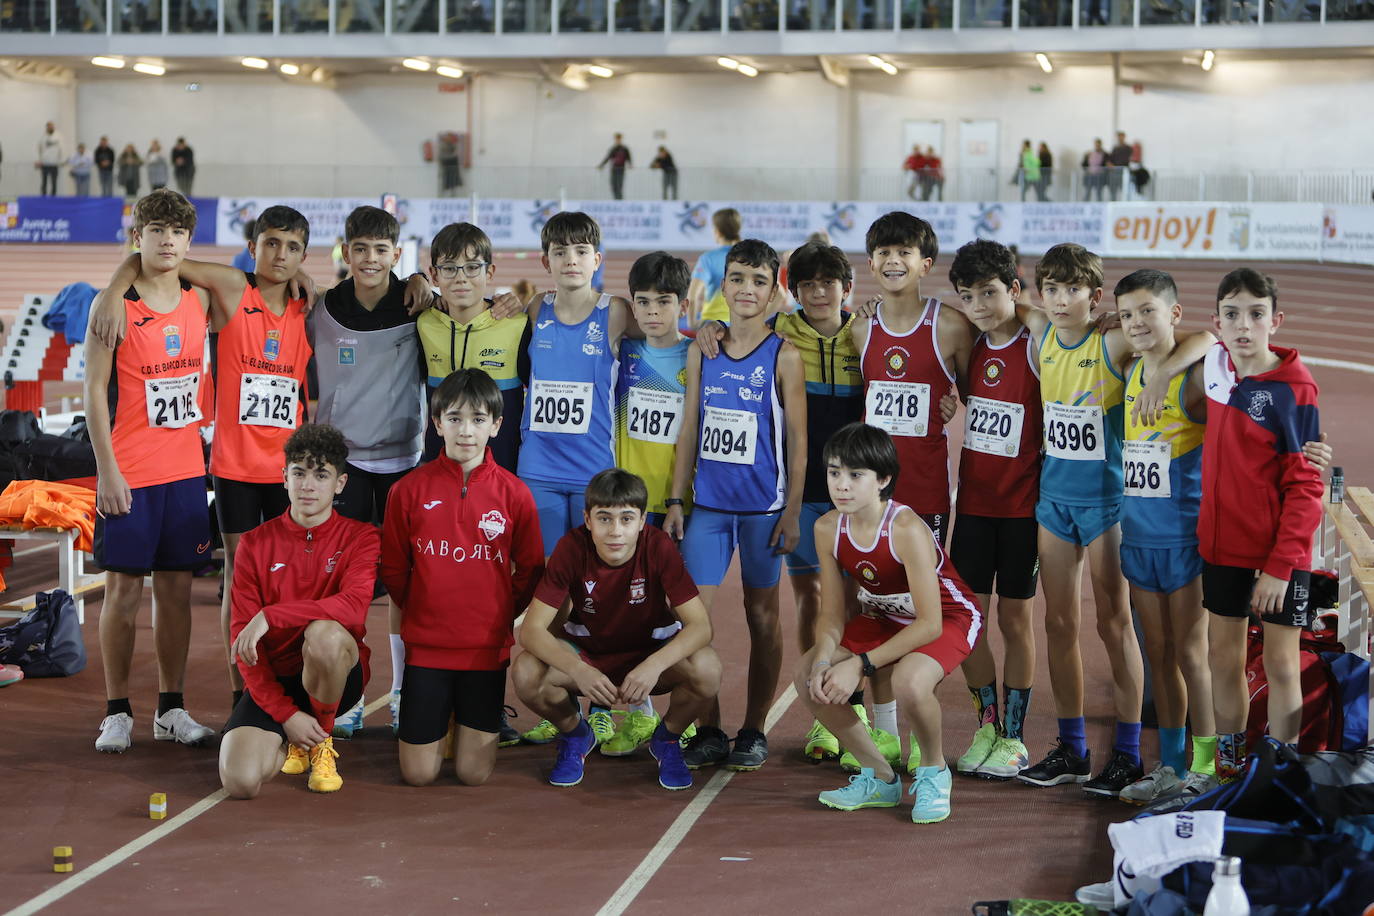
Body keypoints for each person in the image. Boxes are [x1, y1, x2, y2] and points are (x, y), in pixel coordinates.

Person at [88, 206, 315, 711]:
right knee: (231, 576)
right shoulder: (230, 289)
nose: (281, 256)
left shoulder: (306, 306)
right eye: (271, 244)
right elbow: (157, 260)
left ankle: (254, 694)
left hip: (267, 472)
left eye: (293, 248)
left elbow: (166, 258)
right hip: (224, 468)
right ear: (252, 246)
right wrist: (112, 285)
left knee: (281, 580)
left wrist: (304, 276)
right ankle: (226, 696)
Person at [1014, 243, 1212, 797]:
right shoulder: (1040, 329)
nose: (1058, 300)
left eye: (1071, 290)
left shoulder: (1112, 339)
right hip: (1054, 501)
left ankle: (1127, 752)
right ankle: (1072, 748)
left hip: (1108, 505)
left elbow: (1201, 338)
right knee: (1056, 624)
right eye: (1049, 289)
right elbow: (991, 305)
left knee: (1114, 623)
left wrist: (1159, 375)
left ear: (1093, 296)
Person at [665, 239, 807, 772]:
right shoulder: (705, 349)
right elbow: (690, 428)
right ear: (723, 284)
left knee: (762, 618)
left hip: (764, 513)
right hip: (709, 510)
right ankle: (708, 728)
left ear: (774, 292)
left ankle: (753, 728)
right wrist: (678, 499)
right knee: (691, 620)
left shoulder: (784, 355)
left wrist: (792, 510)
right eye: (738, 279)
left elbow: (798, 440)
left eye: (758, 281)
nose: (747, 290)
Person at [796, 422, 981, 824]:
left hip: (946, 616)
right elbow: (830, 616)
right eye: (834, 473)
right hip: (886, 616)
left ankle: (934, 772)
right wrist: (827, 661)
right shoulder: (827, 528)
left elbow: (930, 624)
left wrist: (859, 665)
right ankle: (879, 776)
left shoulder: (905, 529)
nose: (841, 485)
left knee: (910, 683)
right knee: (807, 672)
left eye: (855, 475)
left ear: (883, 480)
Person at [84, 189, 215, 754]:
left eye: (177, 231)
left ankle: (171, 707)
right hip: (130, 470)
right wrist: (107, 472)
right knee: (123, 592)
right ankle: (116, 710)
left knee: (178, 593)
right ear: (137, 237)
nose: (167, 239)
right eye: (156, 229)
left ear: (188, 240)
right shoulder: (113, 305)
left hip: (187, 472)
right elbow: (92, 392)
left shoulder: (199, 299)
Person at [380, 368, 544, 787]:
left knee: (473, 775)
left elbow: (530, 569)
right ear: (436, 423)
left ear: (496, 425)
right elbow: (395, 570)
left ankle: (457, 719)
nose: (465, 430)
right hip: (428, 649)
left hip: (484, 651)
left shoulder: (514, 493)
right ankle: (440, 717)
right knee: (418, 776)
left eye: (477, 419)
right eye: (453, 418)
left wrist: (502, 610)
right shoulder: (408, 491)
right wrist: (422, 608)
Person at [513, 469, 720, 790]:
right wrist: (578, 670)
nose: (615, 531)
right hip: (590, 657)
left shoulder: (658, 547)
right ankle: (576, 735)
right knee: (527, 672)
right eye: (605, 518)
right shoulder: (571, 548)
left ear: (641, 521)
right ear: (587, 519)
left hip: (647, 658)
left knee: (707, 668)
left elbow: (701, 627)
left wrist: (654, 665)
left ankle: (666, 741)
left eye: (626, 519)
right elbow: (531, 631)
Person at [1200, 268, 1322, 784]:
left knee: (1282, 664)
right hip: (1222, 548)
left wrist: (1278, 567)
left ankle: (1279, 772)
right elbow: (1178, 338)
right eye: (1232, 314)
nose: (1243, 326)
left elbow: (1307, 486)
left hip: (1278, 559)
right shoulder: (1216, 367)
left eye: (1256, 314)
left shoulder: (1295, 387)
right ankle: (1229, 769)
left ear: (1276, 320)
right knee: (1223, 662)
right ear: (1217, 322)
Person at [512, 211, 630, 747]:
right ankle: (561, 700)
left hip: (590, 477)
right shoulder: (535, 308)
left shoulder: (615, 313)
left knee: (590, 594)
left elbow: (669, 329)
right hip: (537, 471)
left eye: (581, 251)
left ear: (597, 260)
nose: (570, 260)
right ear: (546, 262)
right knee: (545, 591)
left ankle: (601, 703)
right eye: (560, 252)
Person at [310, 205, 428, 736]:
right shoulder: (323, 308)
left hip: (404, 462)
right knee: (348, 586)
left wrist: (426, 280)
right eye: (360, 249)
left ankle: (403, 690)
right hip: (348, 466)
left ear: (397, 255)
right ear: (346, 252)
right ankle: (352, 695)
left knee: (407, 588)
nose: (370, 259)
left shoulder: (418, 305)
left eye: (381, 250)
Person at [218, 424, 379, 798]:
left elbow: (353, 609)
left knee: (323, 633)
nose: (308, 485)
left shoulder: (361, 537)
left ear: (339, 484)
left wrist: (272, 615)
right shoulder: (255, 544)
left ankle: (320, 739)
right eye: (299, 473)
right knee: (240, 782)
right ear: (284, 478)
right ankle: (295, 738)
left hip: (336, 671)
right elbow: (244, 645)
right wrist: (286, 715)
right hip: (276, 678)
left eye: (321, 475)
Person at [945, 240, 1043, 781]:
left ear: (1013, 290)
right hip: (976, 506)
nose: (980, 304)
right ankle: (987, 723)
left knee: (1015, 618)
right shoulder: (969, 345)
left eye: (990, 292)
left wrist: (1028, 307)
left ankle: (1015, 736)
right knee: (971, 618)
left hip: (1024, 509)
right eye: (969, 295)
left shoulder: (1035, 341)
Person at [602, 251, 692, 755]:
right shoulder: (626, 352)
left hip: (675, 502)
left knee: (673, 611)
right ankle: (637, 714)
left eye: (664, 302)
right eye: (643, 302)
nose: (653, 311)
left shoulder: (698, 355)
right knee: (628, 608)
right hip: (627, 505)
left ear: (682, 304)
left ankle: (684, 717)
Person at [853, 211, 971, 552]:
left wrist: (949, 406)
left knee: (924, 589)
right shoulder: (860, 329)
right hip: (870, 484)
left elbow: (975, 396)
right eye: (884, 252)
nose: (893, 260)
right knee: (872, 590)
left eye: (904, 252)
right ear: (872, 264)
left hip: (926, 485)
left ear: (925, 264)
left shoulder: (951, 326)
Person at [415, 222, 529, 470]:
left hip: (501, 467)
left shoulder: (517, 325)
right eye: (449, 268)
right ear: (434, 275)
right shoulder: (424, 323)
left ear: (489, 272)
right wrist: (416, 280)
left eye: (472, 268)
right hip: (439, 463)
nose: (461, 278)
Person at [687, 208, 742, 328]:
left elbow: (692, 296)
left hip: (713, 326)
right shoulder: (752, 256)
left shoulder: (708, 259)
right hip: (742, 326)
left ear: (718, 231)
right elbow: (780, 295)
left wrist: (692, 323)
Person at [597, 132, 632, 200]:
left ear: (621, 139)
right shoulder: (613, 148)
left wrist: (630, 164)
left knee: (619, 186)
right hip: (614, 169)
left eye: (619, 139)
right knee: (613, 185)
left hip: (621, 169)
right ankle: (616, 200)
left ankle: (620, 200)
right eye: (616, 139)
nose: (617, 140)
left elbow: (629, 157)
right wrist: (602, 165)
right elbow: (608, 157)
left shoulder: (624, 148)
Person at [36, 121, 63, 196]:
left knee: (54, 182)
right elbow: (39, 149)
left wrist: (61, 160)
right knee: (44, 182)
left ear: (54, 127)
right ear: (46, 127)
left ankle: (53, 198)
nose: (50, 127)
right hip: (45, 163)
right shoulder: (42, 137)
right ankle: (43, 197)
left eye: (51, 126)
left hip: (54, 163)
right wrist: (39, 160)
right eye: (49, 126)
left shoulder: (58, 137)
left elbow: (61, 149)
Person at [1109, 131, 1132, 201]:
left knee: (1124, 189)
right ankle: (1113, 203)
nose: (1120, 138)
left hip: (1124, 171)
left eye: (1122, 136)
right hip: (1115, 171)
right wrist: (1111, 165)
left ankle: (1125, 203)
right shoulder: (1115, 148)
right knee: (1113, 189)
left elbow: (1131, 158)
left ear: (1124, 137)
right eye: (1119, 137)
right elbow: (1110, 159)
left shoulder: (1128, 148)